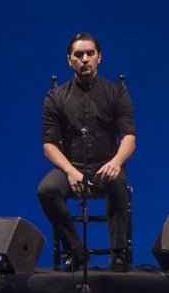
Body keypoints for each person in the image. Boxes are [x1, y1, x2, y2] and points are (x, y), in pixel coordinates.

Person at [38, 32, 137, 272]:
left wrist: (116, 162)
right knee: (46, 190)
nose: (84, 59)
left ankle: (119, 253)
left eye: (90, 54)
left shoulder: (116, 93)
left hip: (105, 164)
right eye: (78, 54)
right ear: (69, 59)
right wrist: (70, 171)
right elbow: (49, 145)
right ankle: (75, 250)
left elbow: (129, 137)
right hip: (71, 166)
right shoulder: (55, 97)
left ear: (99, 57)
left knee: (117, 182)